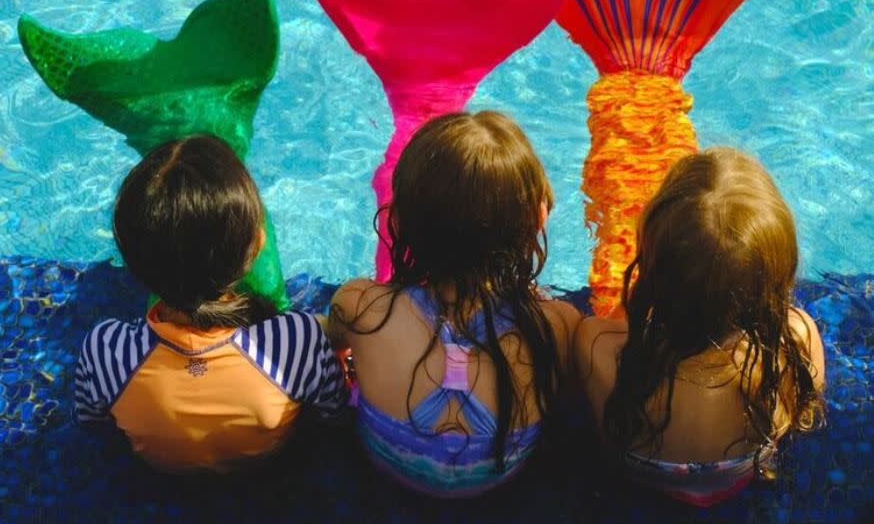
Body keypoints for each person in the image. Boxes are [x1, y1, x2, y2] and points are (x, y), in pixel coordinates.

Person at [327, 110, 582, 497]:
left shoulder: (361, 306)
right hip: (500, 481)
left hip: (388, 471)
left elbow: (336, 351)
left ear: (397, 222)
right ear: (537, 221)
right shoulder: (557, 326)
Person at [73, 134, 347, 471]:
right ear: (258, 244)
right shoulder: (298, 339)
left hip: (163, 477)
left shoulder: (105, 349)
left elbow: (90, 421)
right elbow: (333, 412)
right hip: (266, 469)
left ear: (131, 262)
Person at [575, 147, 825, 506]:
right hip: (737, 480)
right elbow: (804, 404)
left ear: (654, 270)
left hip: (643, 481)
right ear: (773, 280)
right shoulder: (794, 344)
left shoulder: (597, 344)